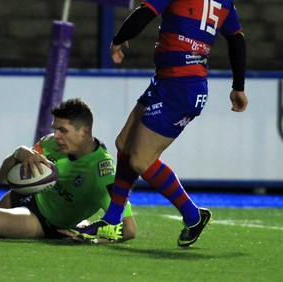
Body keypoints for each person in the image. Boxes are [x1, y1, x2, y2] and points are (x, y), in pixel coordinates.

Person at [69, 0, 248, 247]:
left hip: (180, 87)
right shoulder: (224, 2)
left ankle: (193, 216)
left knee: (141, 160)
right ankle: (112, 221)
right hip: (168, 81)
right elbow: (237, 39)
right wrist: (238, 87)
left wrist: (119, 39)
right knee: (124, 143)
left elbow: (145, 13)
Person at [0, 98, 136, 243]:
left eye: (63, 131)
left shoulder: (102, 172)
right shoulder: (49, 143)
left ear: (84, 131)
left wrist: (90, 235)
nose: (57, 136)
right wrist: (18, 153)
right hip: (28, 197)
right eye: (55, 129)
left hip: (45, 222)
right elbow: (3, 178)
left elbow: (129, 229)